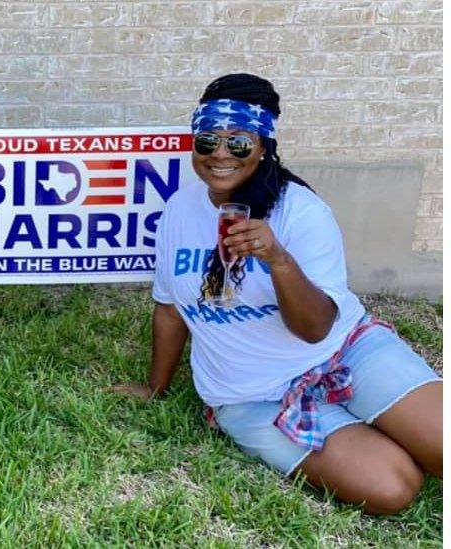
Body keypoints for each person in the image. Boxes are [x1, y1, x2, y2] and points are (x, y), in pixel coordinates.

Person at [112, 73, 442, 515]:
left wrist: (279, 260)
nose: (221, 155)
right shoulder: (178, 210)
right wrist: (156, 387)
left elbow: (315, 329)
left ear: (263, 146)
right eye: (207, 141)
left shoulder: (301, 211)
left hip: (342, 353)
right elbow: (170, 309)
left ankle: (378, 415)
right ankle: (370, 429)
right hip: (251, 395)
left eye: (239, 143)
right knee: (392, 487)